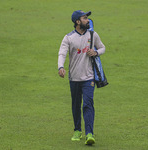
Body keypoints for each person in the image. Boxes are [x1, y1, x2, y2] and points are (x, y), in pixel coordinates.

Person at [57, 10, 105, 145]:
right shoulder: (68, 38)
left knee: (88, 104)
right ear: (77, 22)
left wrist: (95, 52)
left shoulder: (92, 34)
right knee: (76, 105)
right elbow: (62, 53)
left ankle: (90, 133)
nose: (88, 20)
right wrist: (61, 67)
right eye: (84, 18)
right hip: (74, 78)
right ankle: (77, 130)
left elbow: (102, 48)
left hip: (89, 78)